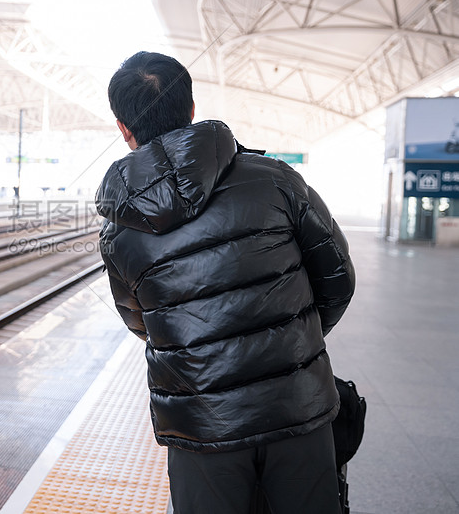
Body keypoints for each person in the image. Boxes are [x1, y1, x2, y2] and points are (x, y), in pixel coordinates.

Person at [95, 51, 355, 514]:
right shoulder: (276, 180)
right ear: (191, 109)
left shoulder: (119, 230)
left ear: (123, 127)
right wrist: (286, 342)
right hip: (299, 407)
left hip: (200, 425)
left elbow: (142, 323)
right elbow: (337, 280)